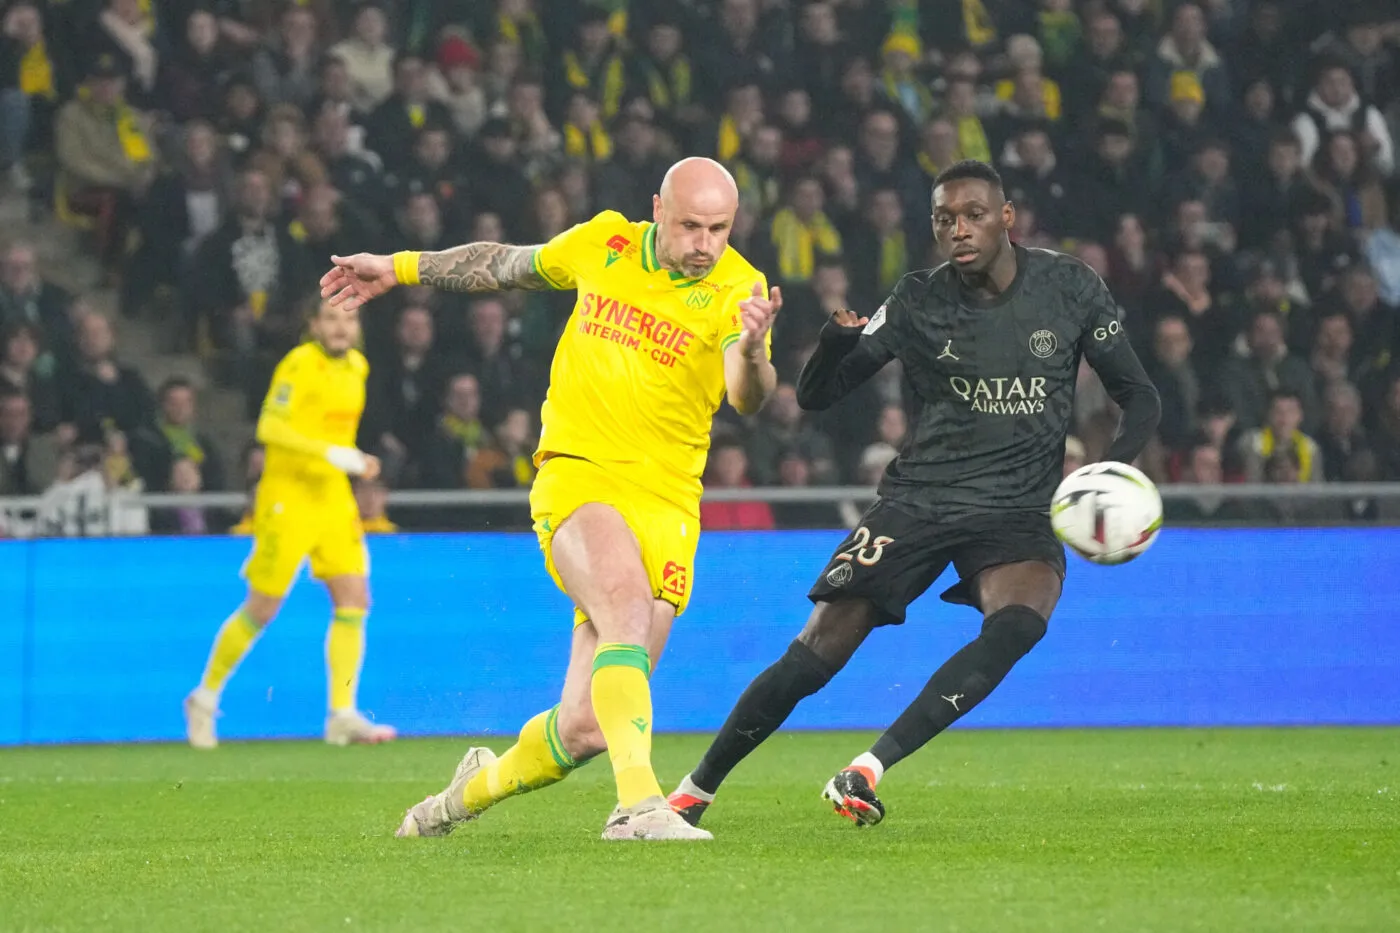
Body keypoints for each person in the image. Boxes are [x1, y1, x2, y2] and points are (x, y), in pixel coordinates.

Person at [668, 160, 1160, 828]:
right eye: (944, 219)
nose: (958, 229)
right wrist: (838, 339)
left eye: (974, 215)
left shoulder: (1069, 287)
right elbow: (816, 395)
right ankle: (692, 791)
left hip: (1017, 509)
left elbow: (1141, 396)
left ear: (1006, 217)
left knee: (1019, 623)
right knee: (817, 652)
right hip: (921, 498)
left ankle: (866, 768)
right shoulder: (917, 300)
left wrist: (1113, 472)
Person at [320, 157, 780, 841]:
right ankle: (638, 808)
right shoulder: (604, 243)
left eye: (717, 228)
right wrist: (400, 266)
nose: (703, 244)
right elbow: (504, 263)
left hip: (670, 501)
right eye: (689, 226)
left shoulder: (740, 288)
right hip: (580, 474)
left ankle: (457, 798)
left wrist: (751, 347)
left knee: (589, 725)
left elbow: (747, 397)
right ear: (657, 209)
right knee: (623, 608)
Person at [183, 299, 394, 750]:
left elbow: (334, 435)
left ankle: (341, 713)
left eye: (349, 319)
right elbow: (270, 428)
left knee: (354, 598)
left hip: (333, 498)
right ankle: (204, 698)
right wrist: (332, 454)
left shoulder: (357, 367)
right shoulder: (298, 364)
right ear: (314, 325)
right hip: (287, 499)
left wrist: (354, 458)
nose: (341, 328)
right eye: (331, 319)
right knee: (263, 607)